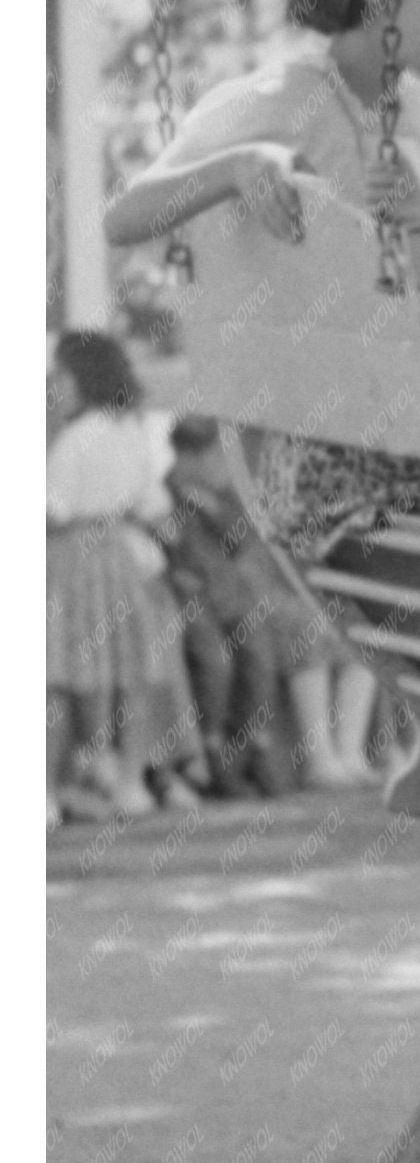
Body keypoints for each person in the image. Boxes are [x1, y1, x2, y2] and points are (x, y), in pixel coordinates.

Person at [105, 0, 420, 565]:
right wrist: (237, 166)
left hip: (405, 424)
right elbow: (125, 217)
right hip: (331, 453)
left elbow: (416, 281)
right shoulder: (285, 97)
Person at [161, 415, 375, 795]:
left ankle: (349, 752)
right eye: (214, 456)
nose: (222, 465)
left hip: (260, 594)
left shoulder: (231, 497)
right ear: (189, 458)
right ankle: (318, 757)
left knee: (356, 635)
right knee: (303, 631)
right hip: (232, 600)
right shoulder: (173, 498)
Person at [47, 331, 207, 821]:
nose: (55, 387)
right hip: (127, 557)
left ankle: (61, 780)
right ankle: (131, 781)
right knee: (135, 673)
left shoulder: (75, 438)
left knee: (70, 674)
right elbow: (154, 503)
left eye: (61, 377)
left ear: (85, 378)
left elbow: (54, 508)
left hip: (76, 559)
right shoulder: (130, 432)